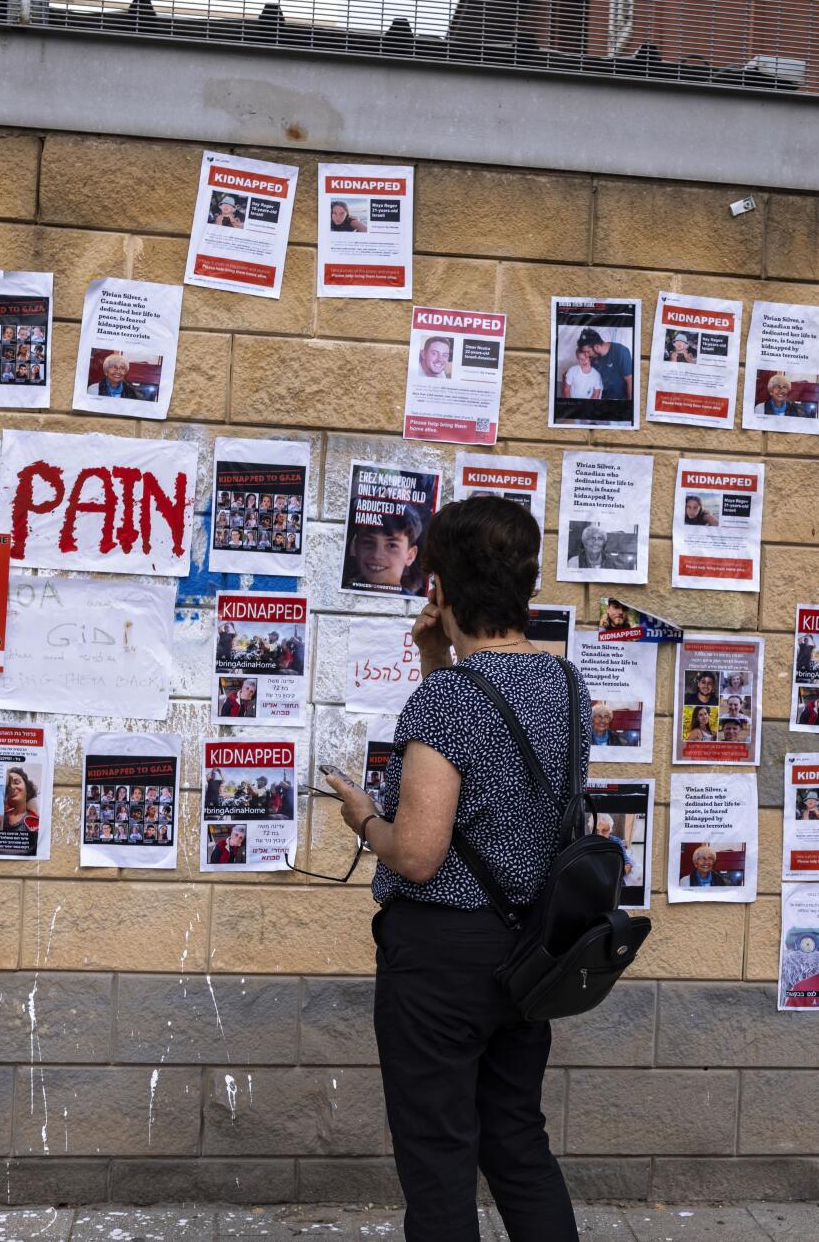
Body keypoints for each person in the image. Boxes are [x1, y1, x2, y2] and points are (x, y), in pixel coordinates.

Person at [318, 496, 583, 1239]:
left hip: (441, 960)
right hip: (529, 951)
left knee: (438, 1158)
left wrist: (363, 817)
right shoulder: (566, 685)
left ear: (438, 586)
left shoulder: (446, 702)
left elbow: (419, 853)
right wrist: (438, 662)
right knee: (517, 1142)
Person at [345, 504, 426, 596]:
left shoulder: (415, 608)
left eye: (392, 545)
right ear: (355, 546)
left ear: (410, 556)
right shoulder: (341, 597)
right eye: (368, 542)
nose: (377, 555)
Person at [578, 328, 632, 402]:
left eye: (588, 352)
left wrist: (629, 405)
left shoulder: (621, 351)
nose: (586, 355)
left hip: (620, 399)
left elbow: (630, 381)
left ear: (597, 347)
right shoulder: (592, 358)